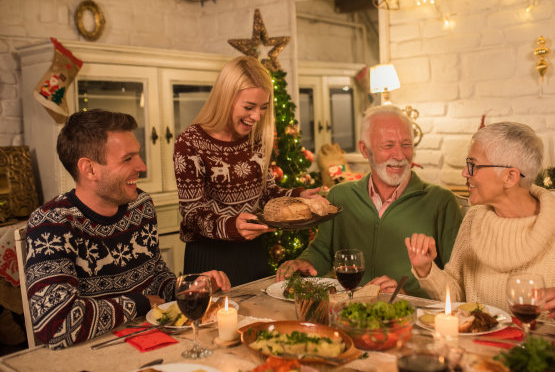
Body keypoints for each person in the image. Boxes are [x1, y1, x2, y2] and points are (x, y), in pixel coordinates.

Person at [25, 109, 231, 350]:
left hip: (149, 341)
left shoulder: (140, 206)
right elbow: (56, 325)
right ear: (89, 169)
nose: (141, 166)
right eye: (127, 158)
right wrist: (139, 304)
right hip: (91, 355)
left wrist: (188, 288)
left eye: (138, 155)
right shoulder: (51, 224)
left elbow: (155, 278)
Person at [405, 122, 555, 318]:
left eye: (472, 165)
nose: (464, 173)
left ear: (510, 177)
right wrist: (426, 269)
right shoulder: (473, 220)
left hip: (541, 351)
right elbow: (456, 296)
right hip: (479, 348)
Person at [276, 105, 463, 297]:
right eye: (388, 145)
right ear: (365, 150)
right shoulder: (340, 196)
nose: (400, 155)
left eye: (406, 144)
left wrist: (405, 296)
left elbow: (458, 285)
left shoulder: (441, 201)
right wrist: (305, 262)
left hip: (411, 318)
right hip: (349, 313)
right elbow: (323, 250)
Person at [173, 56, 323, 286]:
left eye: (263, 108)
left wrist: (298, 196)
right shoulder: (190, 142)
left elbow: (267, 193)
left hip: (254, 253)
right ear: (225, 99)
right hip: (210, 259)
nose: (256, 116)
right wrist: (231, 227)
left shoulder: (256, 138)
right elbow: (192, 214)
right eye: (249, 107)